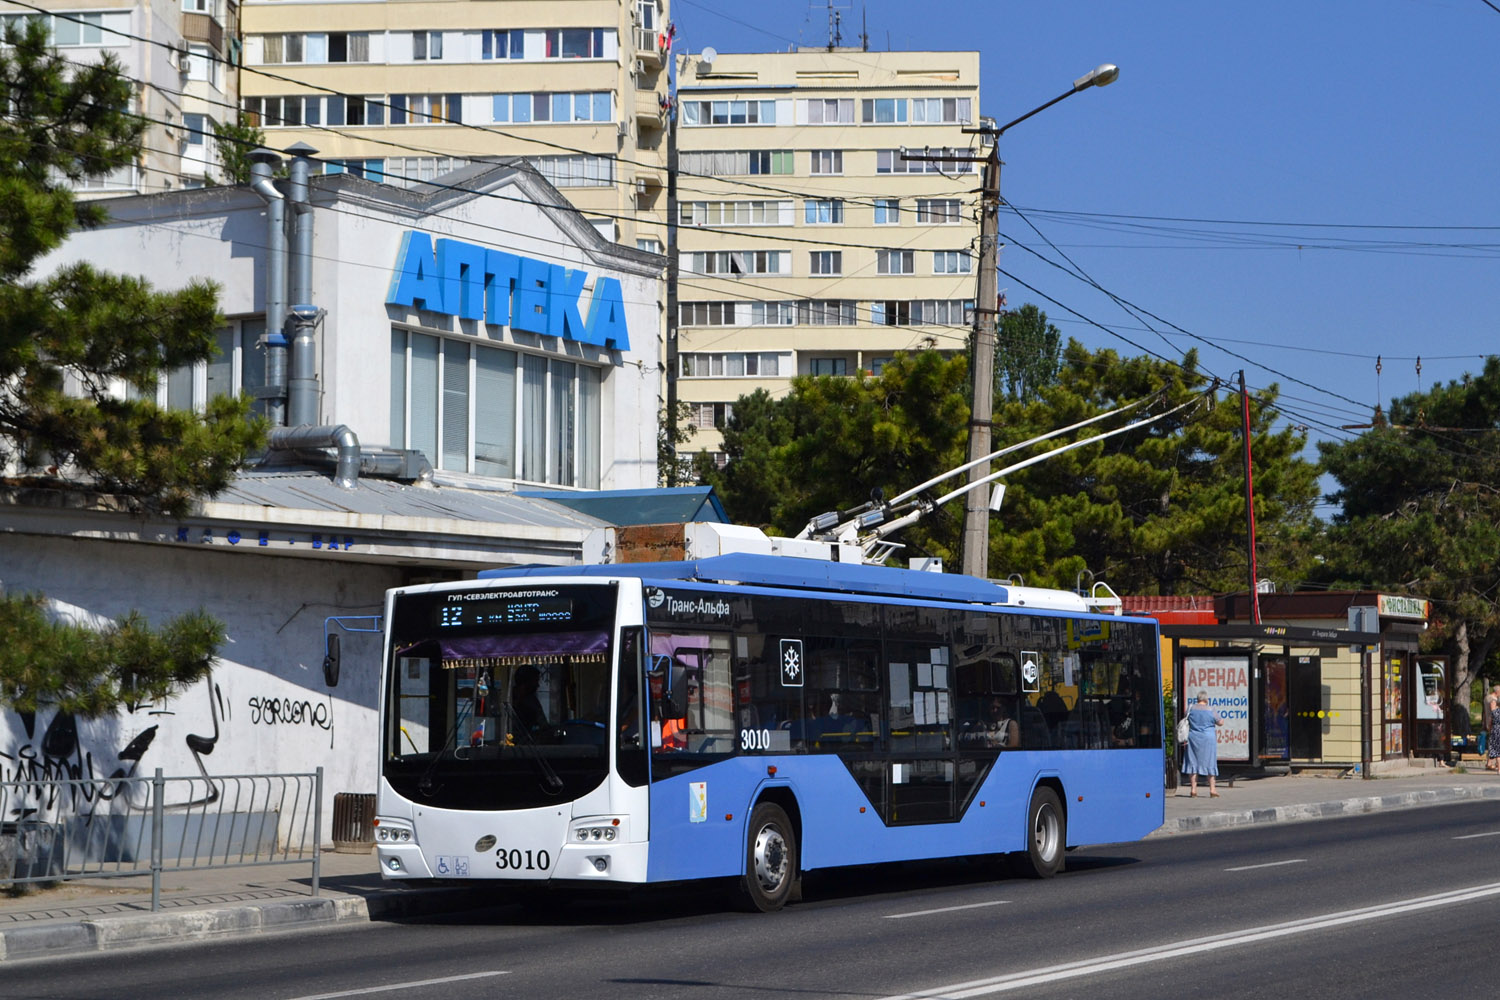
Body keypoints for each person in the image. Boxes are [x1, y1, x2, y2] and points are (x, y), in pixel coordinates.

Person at [1182, 691, 1224, 798]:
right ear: (1206, 699)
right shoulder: (1211, 709)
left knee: (1193, 762)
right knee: (1210, 762)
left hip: (1193, 738)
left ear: (1198, 699)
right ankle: (1212, 790)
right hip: (1208, 739)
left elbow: (1185, 717)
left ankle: (1193, 790)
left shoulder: (1191, 708)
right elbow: (1220, 722)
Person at [510, 664, 548, 732]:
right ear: (526, 682)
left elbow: (544, 726)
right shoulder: (509, 697)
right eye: (535, 681)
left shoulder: (533, 701)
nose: (537, 685)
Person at [1487, 685, 1500, 771]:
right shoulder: (1490, 699)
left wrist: (1490, 729)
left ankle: (1499, 768)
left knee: (1497, 750)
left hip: (1495, 730)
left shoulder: (1494, 712)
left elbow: (1490, 722)